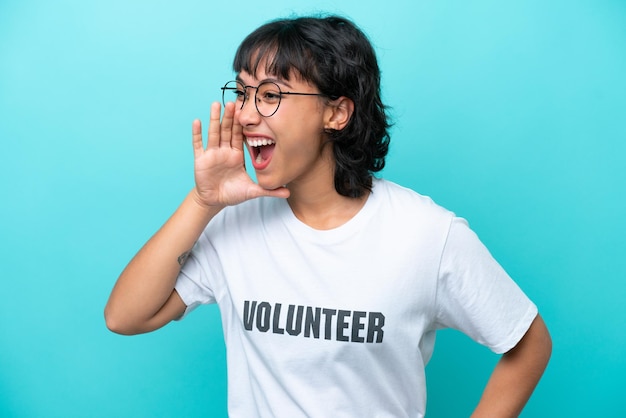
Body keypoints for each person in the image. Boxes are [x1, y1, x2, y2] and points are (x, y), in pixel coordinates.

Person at [105, 14, 551, 417]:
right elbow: (125, 317)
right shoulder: (234, 222)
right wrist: (204, 203)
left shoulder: (427, 235)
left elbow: (529, 342)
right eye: (242, 93)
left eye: (270, 95)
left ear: (336, 112)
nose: (244, 114)